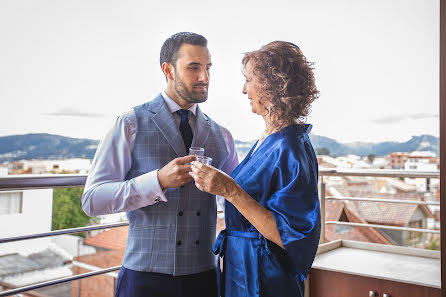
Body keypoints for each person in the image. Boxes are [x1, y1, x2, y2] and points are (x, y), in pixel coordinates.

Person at [81, 32, 239, 297]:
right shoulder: (130, 123)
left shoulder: (222, 135)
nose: (205, 77)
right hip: (144, 279)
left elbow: (237, 199)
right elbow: (92, 200)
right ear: (168, 70)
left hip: (205, 278)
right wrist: (157, 181)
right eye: (193, 68)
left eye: (208, 67)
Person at [190, 41, 321, 297]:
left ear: (270, 84)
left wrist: (229, 189)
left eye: (248, 80)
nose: (243, 89)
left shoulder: (290, 148)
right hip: (244, 269)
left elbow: (290, 236)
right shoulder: (269, 139)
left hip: (265, 278)